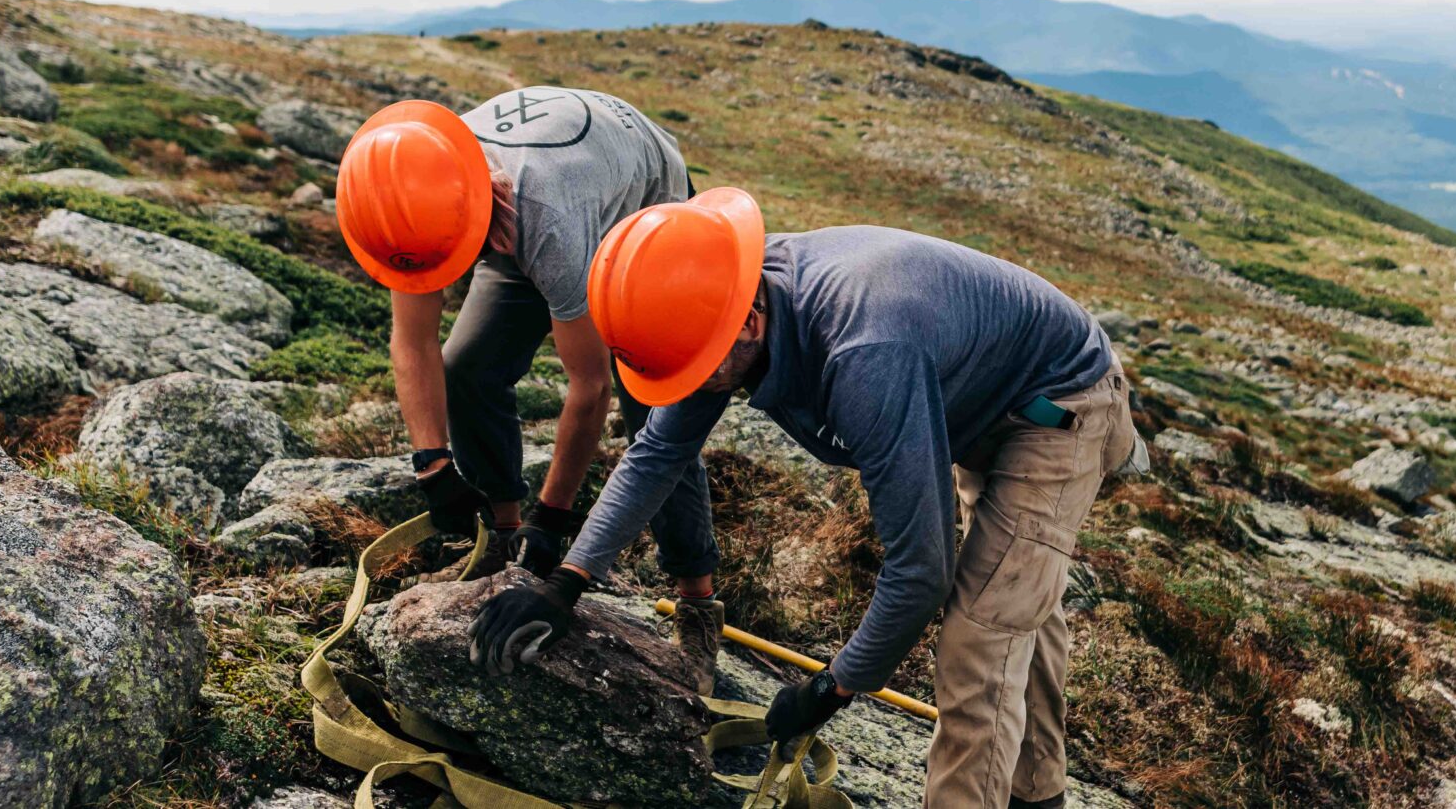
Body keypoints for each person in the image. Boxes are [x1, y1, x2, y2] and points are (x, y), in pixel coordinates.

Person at [470, 188, 1137, 809]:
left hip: (1058, 407)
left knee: (981, 636)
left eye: (700, 370)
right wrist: (565, 581)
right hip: (964, 398)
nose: (695, 386)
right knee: (1016, 598)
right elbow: (657, 453)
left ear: (751, 323)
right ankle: (1037, 791)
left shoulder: (864, 352)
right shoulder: (716, 293)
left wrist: (833, 686)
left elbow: (920, 575)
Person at [333, 89, 719, 654]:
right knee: (469, 367)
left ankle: (697, 602)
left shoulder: (550, 226)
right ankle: (502, 539)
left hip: (642, 213)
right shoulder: (410, 186)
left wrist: (554, 519)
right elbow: (413, 341)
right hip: (520, 210)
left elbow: (590, 387)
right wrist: (433, 467)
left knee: (654, 410)